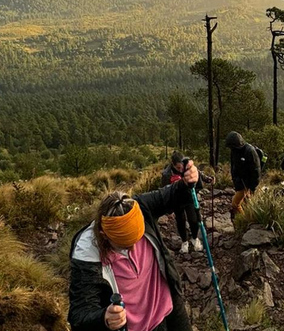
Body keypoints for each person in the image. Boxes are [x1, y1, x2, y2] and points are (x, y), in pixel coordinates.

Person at [67, 160, 199, 331]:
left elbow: (172, 195)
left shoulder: (139, 208)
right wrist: (104, 318)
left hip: (168, 310)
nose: (133, 248)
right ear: (104, 236)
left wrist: (189, 181)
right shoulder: (87, 253)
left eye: (137, 239)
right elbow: (79, 314)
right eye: (124, 245)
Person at [161, 151, 213, 254]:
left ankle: (194, 238)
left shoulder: (188, 166)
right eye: (178, 168)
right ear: (173, 164)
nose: (181, 170)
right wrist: (168, 207)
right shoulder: (166, 174)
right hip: (176, 200)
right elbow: (164, 190)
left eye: (182, 167)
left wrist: (208, 179)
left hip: (189, 197)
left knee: (194, 220)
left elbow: (198, 173)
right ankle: (184, 242)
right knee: (181, 221)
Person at [224, 131, 261, 220]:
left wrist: (252, 187)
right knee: (245, 204)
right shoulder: (234, 151)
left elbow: (256, 171)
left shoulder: (250, 151)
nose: (231, 148)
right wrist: (234, 179)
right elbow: (234, 166)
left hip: (247, 183)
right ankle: (246, 221)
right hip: (240, 182)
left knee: (235, 204)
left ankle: (244, 221)